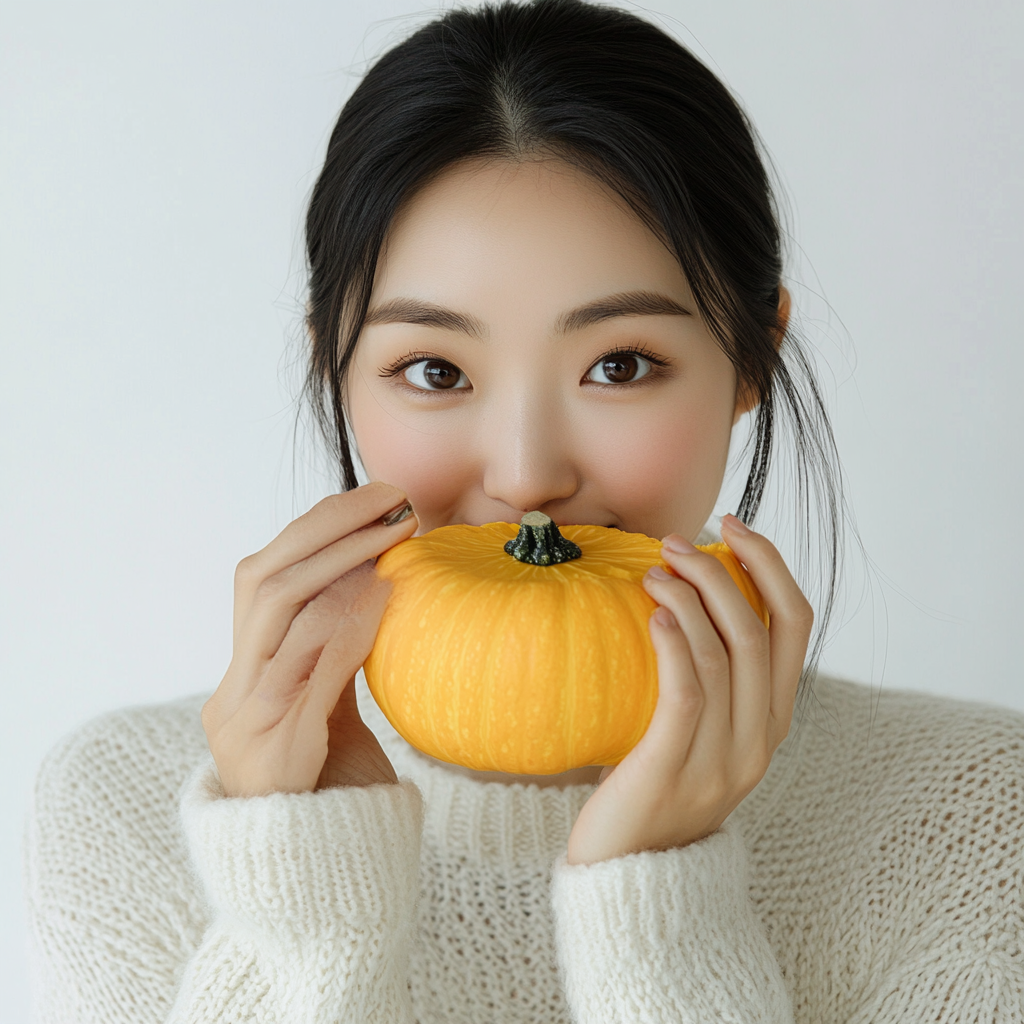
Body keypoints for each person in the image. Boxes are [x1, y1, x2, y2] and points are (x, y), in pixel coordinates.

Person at [24, 0, 1024, 1021]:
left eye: (619, 364)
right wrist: (302, 898)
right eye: (433, 369)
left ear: (750, 358)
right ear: (332, 361)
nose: (526, 475)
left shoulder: (969, 816)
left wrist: (659, 907)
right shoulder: (122, 808)